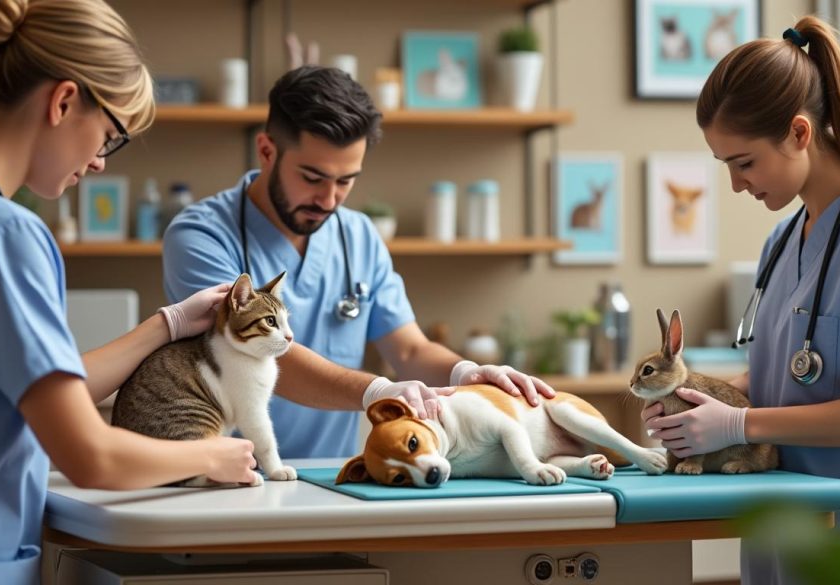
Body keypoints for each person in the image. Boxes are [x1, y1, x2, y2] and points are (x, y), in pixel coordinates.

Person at [642, 16, 840, 585]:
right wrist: (696, 403)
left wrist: (740, 423)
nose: (736, 185)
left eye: (745, 163)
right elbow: (787, 371)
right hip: (784, 540)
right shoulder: (782, 242)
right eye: (726, 166)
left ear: (800, 133)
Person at [0, 1, 259, 582]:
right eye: (110, 135)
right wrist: (214, 453)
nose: (98, 162)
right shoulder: (4, 234)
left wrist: (168, 324)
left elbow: (25, 392)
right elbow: (88, 454)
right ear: (64, 101)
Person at [163, 65, 556, 459]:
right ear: (267, 151)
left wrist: (466, 373)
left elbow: (410, 352)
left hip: (329, 478)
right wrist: (376, 392)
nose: (330, 199)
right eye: (313, 178)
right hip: (220, 479)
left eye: (346, 180)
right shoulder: (200, 236)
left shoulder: (359, 236)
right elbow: (264, 354)